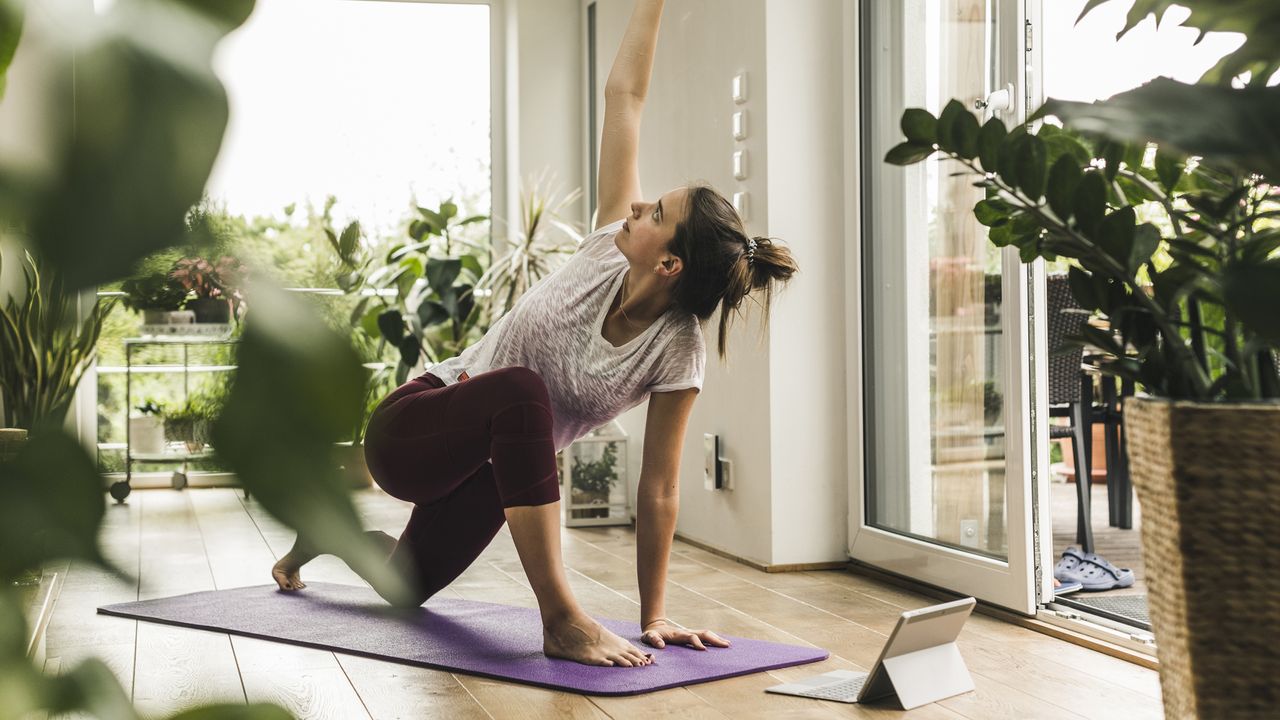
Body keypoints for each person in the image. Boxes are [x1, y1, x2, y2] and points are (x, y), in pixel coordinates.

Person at [271, 0, 798, 668]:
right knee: (523, 393)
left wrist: (655, 614)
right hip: (416, 428)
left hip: (490, 474)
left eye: (656, 211)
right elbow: (625, 97)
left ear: (670, 264)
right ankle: (562, 619)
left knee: (402, 588)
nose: (639, 204)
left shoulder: (676, 352)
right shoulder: (610, 244)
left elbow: (659, 487)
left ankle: (318, 533)